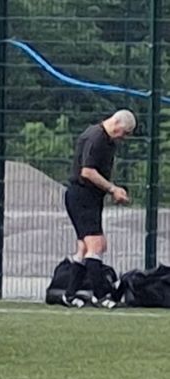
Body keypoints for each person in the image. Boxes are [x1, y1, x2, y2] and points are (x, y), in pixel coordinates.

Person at [63, 110, 135, 308]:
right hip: (81, 196)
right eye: (125, 132)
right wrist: (112, 189)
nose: (124, 137)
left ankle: (69, 295)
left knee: (85, 247)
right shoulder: (97, 137)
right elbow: (87, 171)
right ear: (117, 123)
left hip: (89, 197)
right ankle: (100, 295)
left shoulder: (106, 140)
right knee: (97, 245)